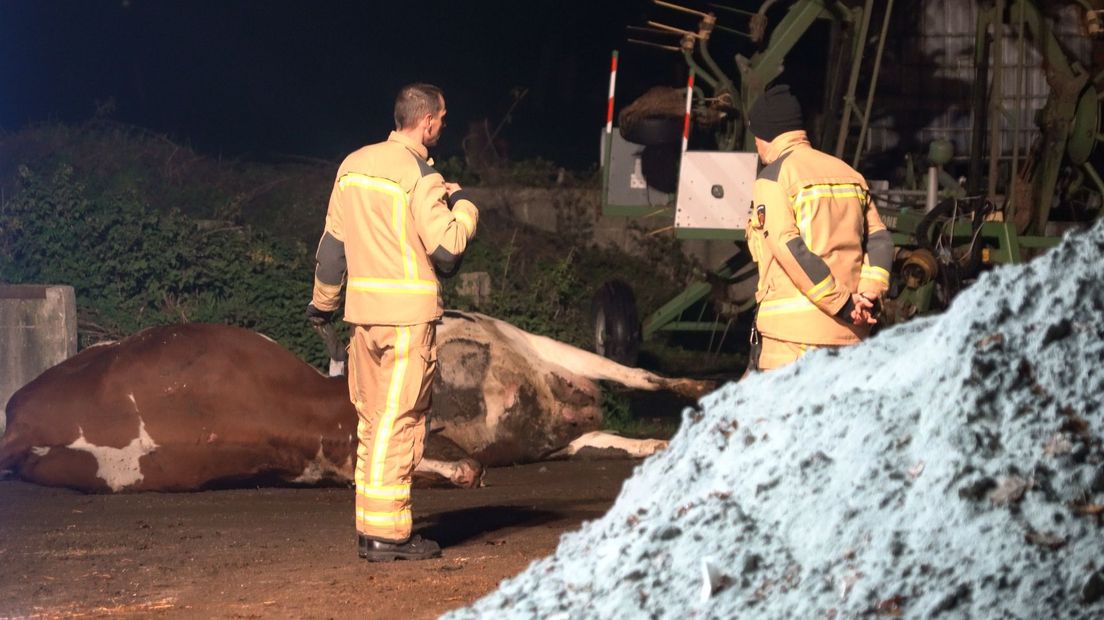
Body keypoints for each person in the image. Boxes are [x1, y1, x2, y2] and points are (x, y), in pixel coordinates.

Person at [306, 83, 478, 561]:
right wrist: (464, 207)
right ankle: (388, 537)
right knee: (398, 423)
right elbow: (447, 251)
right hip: (406, 324)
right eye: (441, 119)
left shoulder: (352, 166)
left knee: (373, 421)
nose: (442, 126)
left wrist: (323, 305)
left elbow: (331, 250)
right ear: (426, 122)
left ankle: (371, 529)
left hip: (363, 320)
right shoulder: (420, 174)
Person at [744, 84, 894, 371]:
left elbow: (789, 247)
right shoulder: (850, 175)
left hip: (794, 341)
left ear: (766, 133)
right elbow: (879, 238)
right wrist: (868, 294)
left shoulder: (773, 178)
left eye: (756, 136)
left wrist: (842, 303)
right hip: (851, 336)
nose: (756, 145)